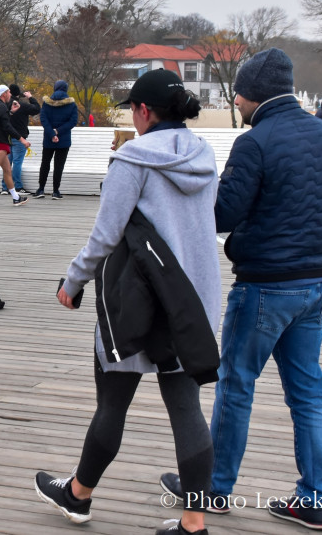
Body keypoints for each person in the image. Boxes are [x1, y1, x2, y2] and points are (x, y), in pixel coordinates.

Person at [159, 48, 322, 531]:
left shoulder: (255, 142)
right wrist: (305, 237)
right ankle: (315, 498)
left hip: (265, 285)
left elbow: (222, 215)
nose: (238, 103)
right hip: (316, 282)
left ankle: (214, 491)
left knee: (236, 386)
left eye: (240, 94)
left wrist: (251, 239)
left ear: (253, 95)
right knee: (308, 393)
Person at [34, 69, 220, 535]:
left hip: (137, 301)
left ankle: (78, 495)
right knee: (187, 410)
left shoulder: (132, 159)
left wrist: (72, 282)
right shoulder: (205, 154)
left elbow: (105, 236)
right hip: (191, 303)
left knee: (112, 403)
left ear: (143, 111)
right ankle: (193, 523)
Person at [34, 80, 79, 200]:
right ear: (66, 89)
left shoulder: (46, 103)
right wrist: (58, 132)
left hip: (49, 139)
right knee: (58, 166)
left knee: (45, 164)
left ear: (55, 88)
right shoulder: (71, 104)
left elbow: (43, 119)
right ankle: (55, 191)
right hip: (63, 140)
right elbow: (73, 121)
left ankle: (41, 189)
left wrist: (51, 133)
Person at [1, 83, 39, 195]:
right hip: (19, 137)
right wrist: (30, 97)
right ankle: (17, 186)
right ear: (19, 94)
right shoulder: (22, 105)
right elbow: (37, 109)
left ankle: (5, 187)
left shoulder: (4, 104)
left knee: (8, 162)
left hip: (6, 137)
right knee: (17, 162)